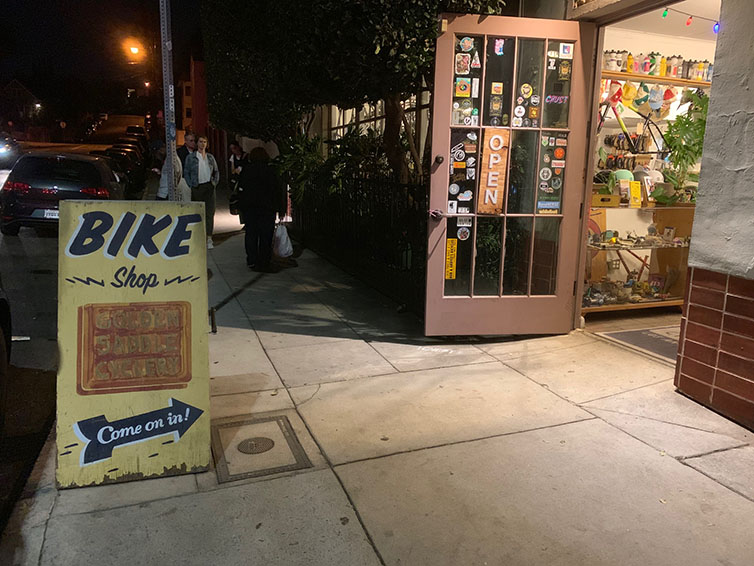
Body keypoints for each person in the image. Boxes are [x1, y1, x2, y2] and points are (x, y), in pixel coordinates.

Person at [236, 147, 287, 272]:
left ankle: (252, 260)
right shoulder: (271, 171)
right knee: (266, 235)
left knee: (251, 234)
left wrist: (241, 207)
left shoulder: (247, 170)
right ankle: (264, 261)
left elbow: (240, 189)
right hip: (267, 208)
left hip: (250, 208)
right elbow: (278, 191)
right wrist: (281, 209)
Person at [184, 136, 220, 249]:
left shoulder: (210, 157)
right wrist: (192, 185)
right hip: (197, 187)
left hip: (209, 186)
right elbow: (187, 172)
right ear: (197, 143)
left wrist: (214, 183)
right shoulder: (191, 157)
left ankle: (209, 238)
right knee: (198, 213)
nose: (202, 144)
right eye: (200, 142)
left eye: (205, 142)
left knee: (210, 213)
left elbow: (216, 171)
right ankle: (198, 237)